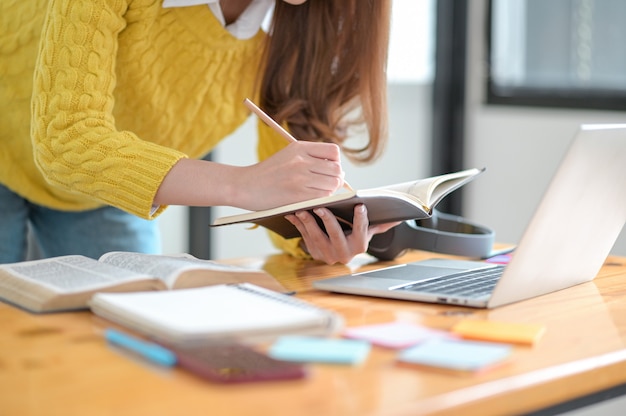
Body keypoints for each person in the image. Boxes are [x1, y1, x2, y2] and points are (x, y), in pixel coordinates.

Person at [0, 0, 397, 265]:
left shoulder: (283, 41)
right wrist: (242, 185)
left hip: (100, 191)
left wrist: (318, 236)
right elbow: (65, 141)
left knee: (132, 349)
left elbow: (289, 196)